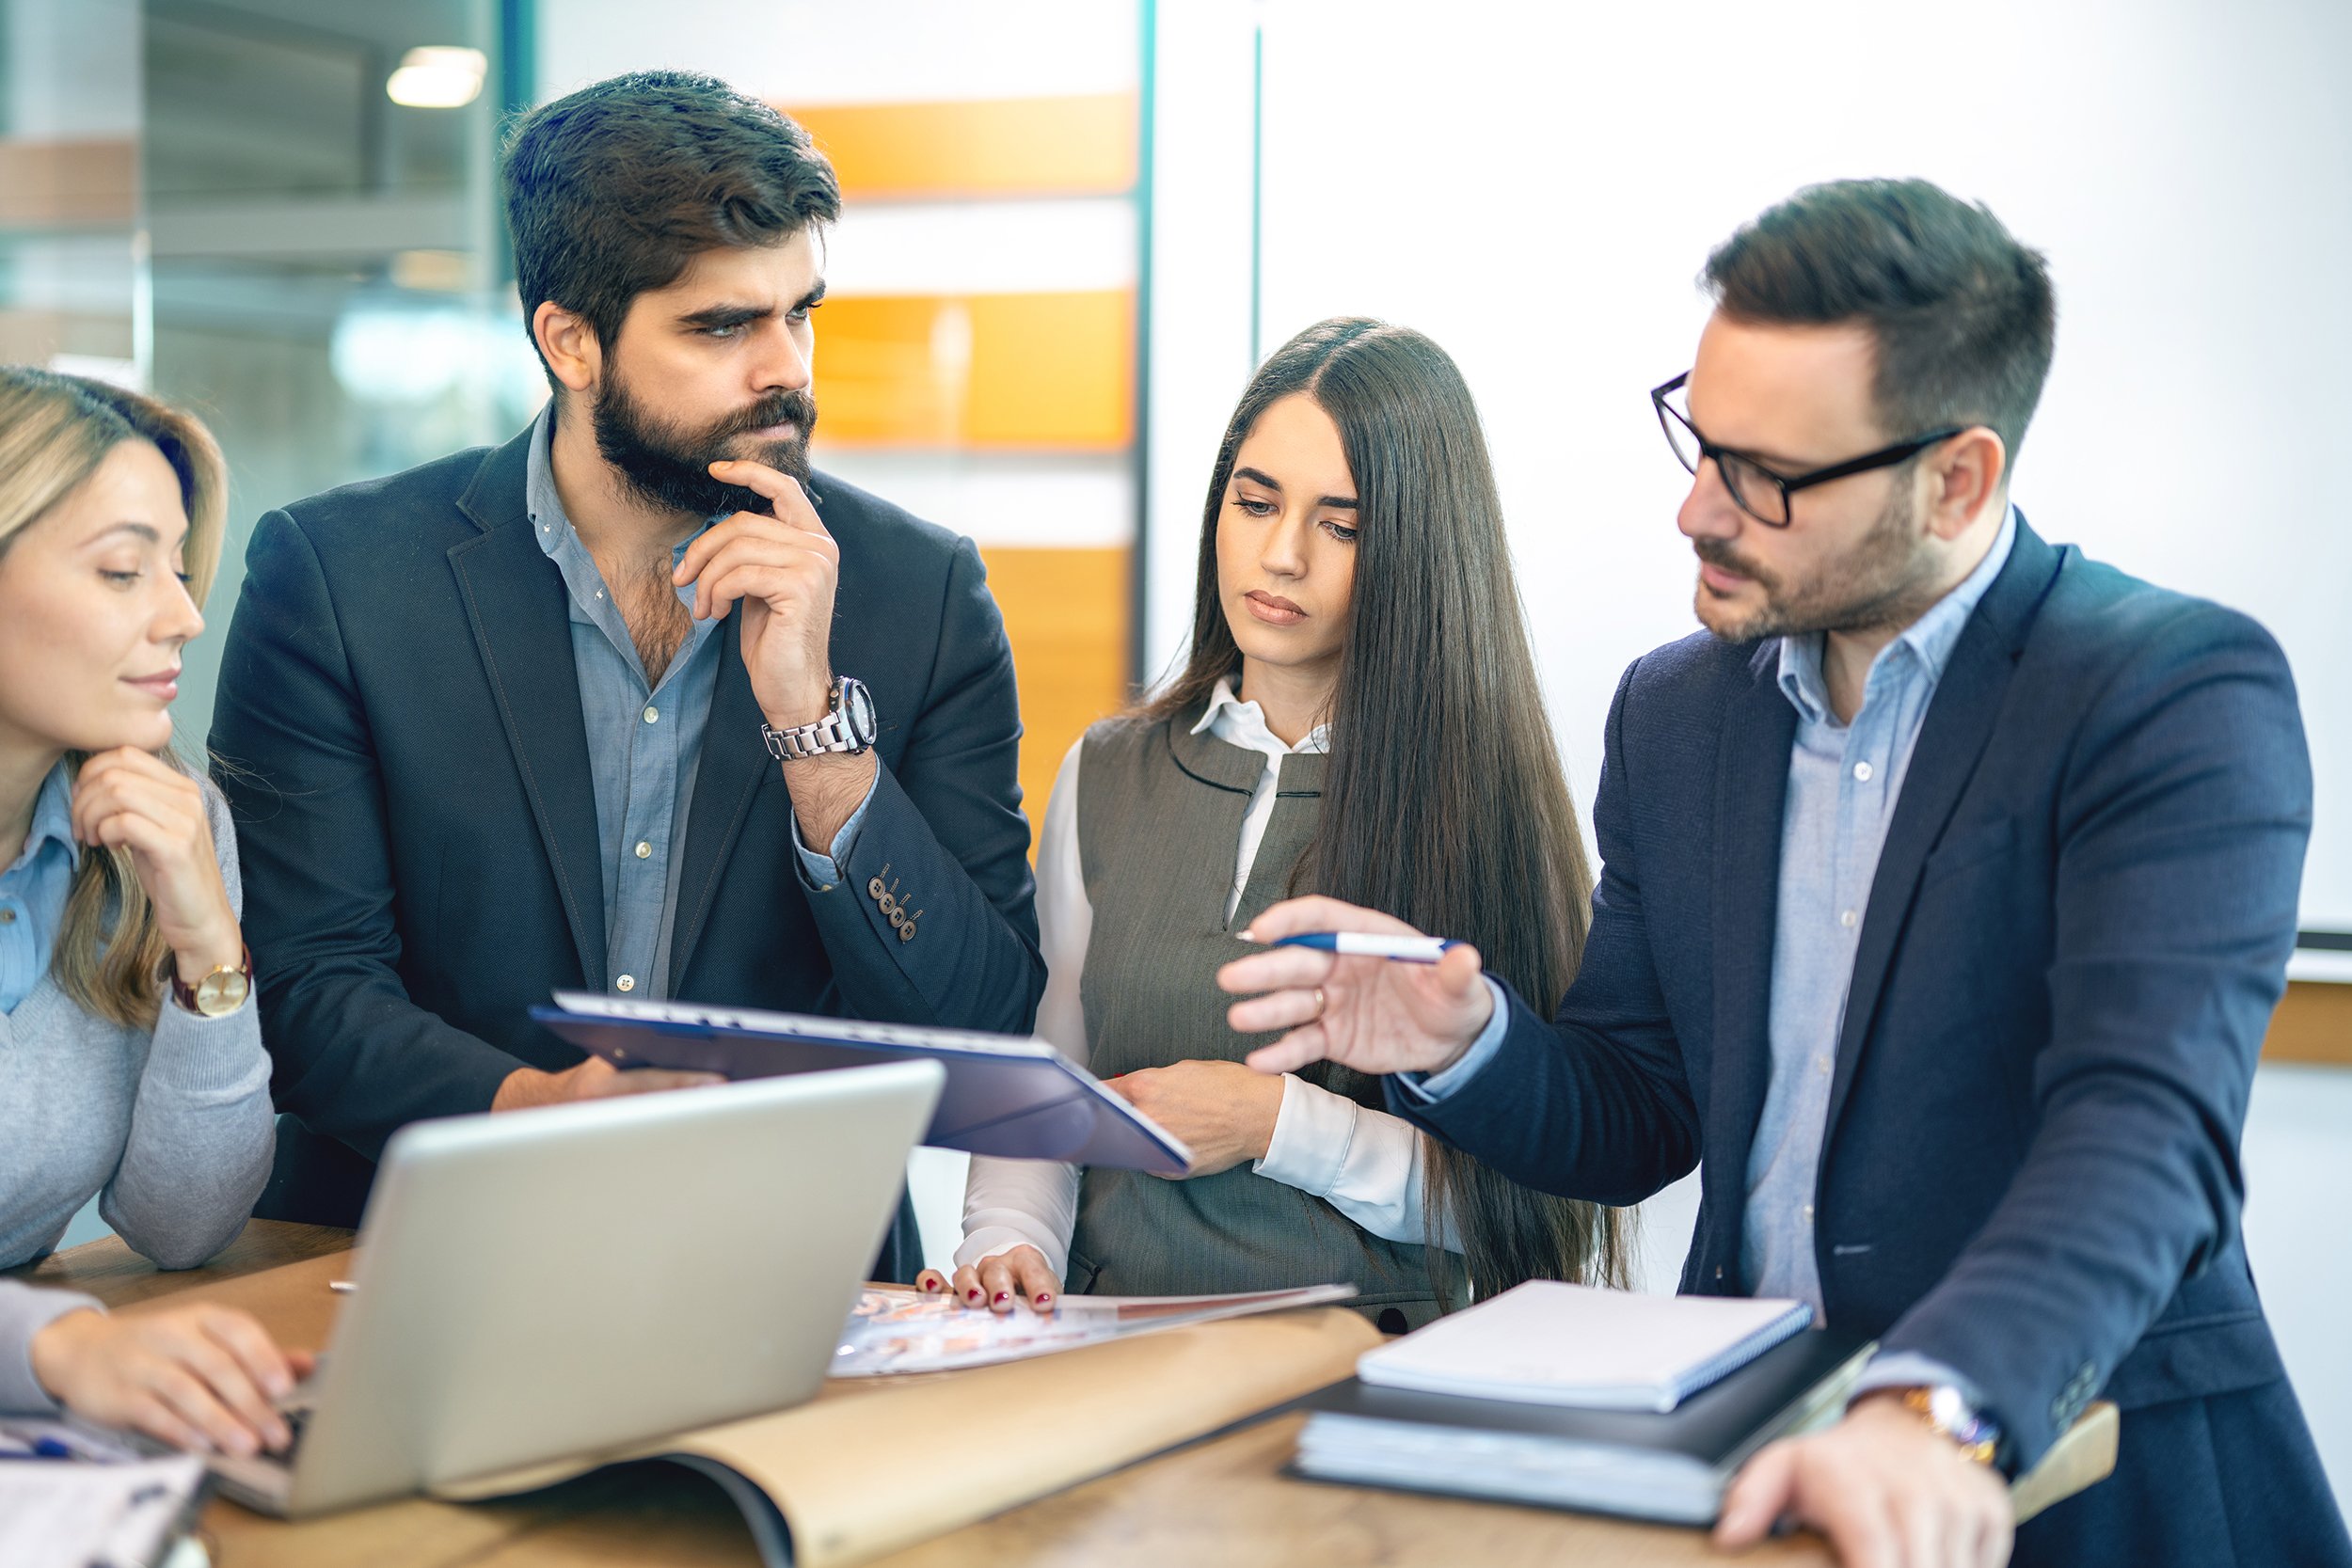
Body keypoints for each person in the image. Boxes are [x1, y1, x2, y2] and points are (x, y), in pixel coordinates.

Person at [1221, 181, 2349, 1567]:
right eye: (1698, 436)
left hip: (2074, 1484)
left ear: (1959, 479)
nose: (1698, 506)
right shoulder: (1679, 712)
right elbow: (1641, 1113)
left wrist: (1928, 1409)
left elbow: (2142, 1137)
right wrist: (1470, 1045)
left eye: (1766, 475)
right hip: (1754, 1473)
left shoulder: (2166, 692)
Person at [208, 71, 1044, 1254]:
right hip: (407, 1248)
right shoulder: (340, 578)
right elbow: (301, 983)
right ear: (569, 340)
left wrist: (818, 738)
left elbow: (983, 1022)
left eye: (798, 312)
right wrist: (538, 1112)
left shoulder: (921, 595)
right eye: (720, 326)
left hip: (787, 1269)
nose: (784, 369)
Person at [942, 320, 1626, 1329]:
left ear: (1419, 552)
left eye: (1341, 526)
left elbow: (1535, 1200)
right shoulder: (1109, 768)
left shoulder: (1479, 799)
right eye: (1253, 501)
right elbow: (1050, 1083)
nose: (1281, 554)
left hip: (1359, 1369)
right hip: (1098, 1357)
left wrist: (1276, 1124)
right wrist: (1007, 1245)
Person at [0, 366, 307, 1457]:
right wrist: (59, 1347)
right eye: (123, 569)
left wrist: (205, 942)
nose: (184, 616)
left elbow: (181, 1226)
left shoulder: (163, 820)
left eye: (176, 569)